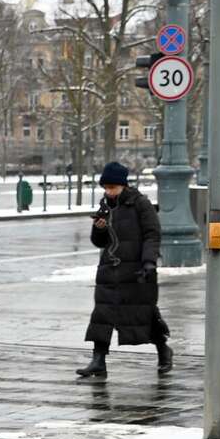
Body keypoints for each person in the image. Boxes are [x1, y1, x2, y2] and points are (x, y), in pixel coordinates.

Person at [80, 161, 173, 379]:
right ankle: (98, 360)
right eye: (106, 187)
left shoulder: (140, 204)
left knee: (143, 315)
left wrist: (149, 262)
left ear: (123, 185)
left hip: (136, 271)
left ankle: (163, 350)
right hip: (109, 271)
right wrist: (98, 228)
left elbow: (152, 234)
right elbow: (98, 241)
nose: (108, 191)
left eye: (112, 187)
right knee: (102, 315)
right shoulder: (105, 205)